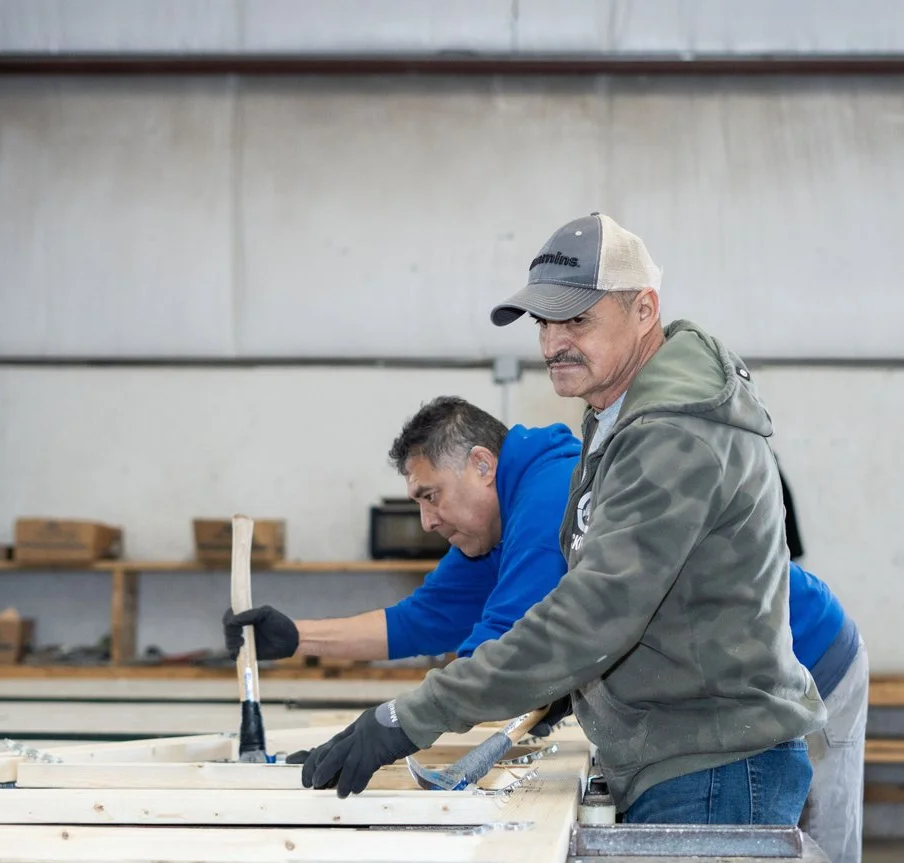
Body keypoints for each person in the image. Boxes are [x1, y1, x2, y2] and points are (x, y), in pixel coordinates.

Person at [264, 212, 826, 829]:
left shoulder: (674, 435)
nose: (554, 341)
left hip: (716, 759)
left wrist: (408, 718)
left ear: (644, 310)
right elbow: (451, 614)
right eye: (545, 321)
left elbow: (591, 616)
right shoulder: (615, 417)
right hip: (688, 748)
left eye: (578, 319)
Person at [226, 396, 870, 863]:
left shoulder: (547, 495)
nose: (426, 520)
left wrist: (392, 727)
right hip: (706, 687)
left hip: (806, 659)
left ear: (483, 465)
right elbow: (425, 618)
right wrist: (298, 637)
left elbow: (502, 647)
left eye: (431, 496)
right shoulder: (493, 521)